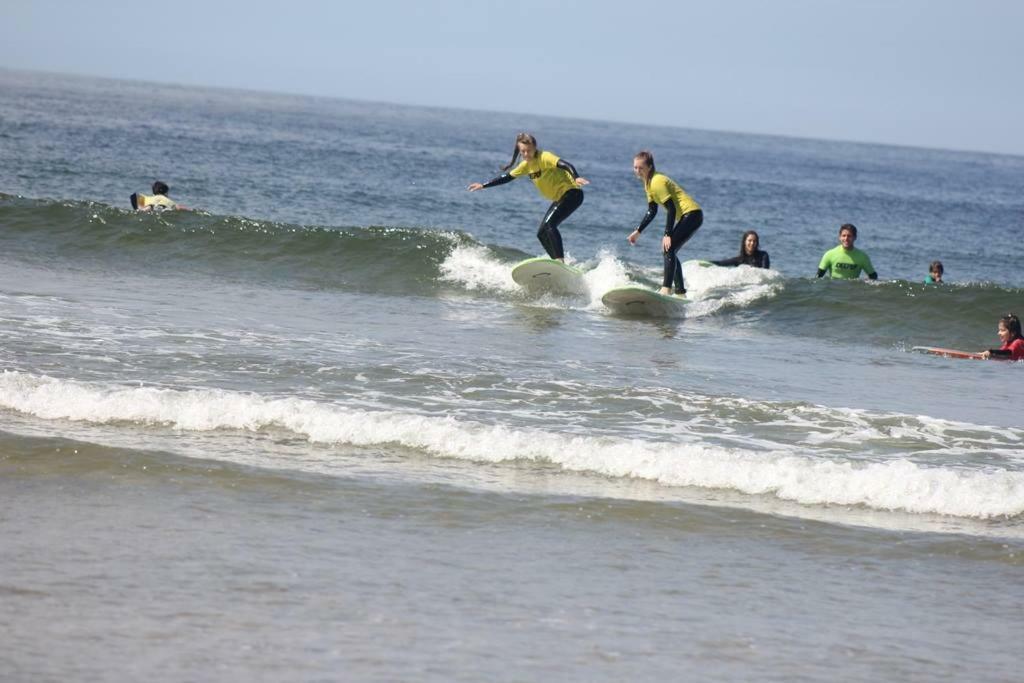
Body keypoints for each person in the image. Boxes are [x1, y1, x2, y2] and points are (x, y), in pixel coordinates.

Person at [467, 133, 588, 261]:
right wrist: (483, 185)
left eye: (528, 151)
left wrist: (576, 177)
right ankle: (557, 263)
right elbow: (507, 177)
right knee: (541, 233)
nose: (525, 154)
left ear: (535, 147)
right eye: (522, 151)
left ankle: (559, 260)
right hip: (561, 198)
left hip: (572, 194)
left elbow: (565, 164)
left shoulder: (544, 157)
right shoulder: (525, 165)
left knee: (549, 225)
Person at [626, 150, 704, 296]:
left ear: (649, 167)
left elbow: (671, 208)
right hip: (689, 216)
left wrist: (667, 234)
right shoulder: (648, 184)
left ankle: (666, 289)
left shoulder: (657, 182)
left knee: (668, 248)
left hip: (692, 215)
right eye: (635, 167)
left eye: (640, 168)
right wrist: (638, 231)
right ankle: (681, 293)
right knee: (671, 250)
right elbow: (652, 210)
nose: (637, 171)